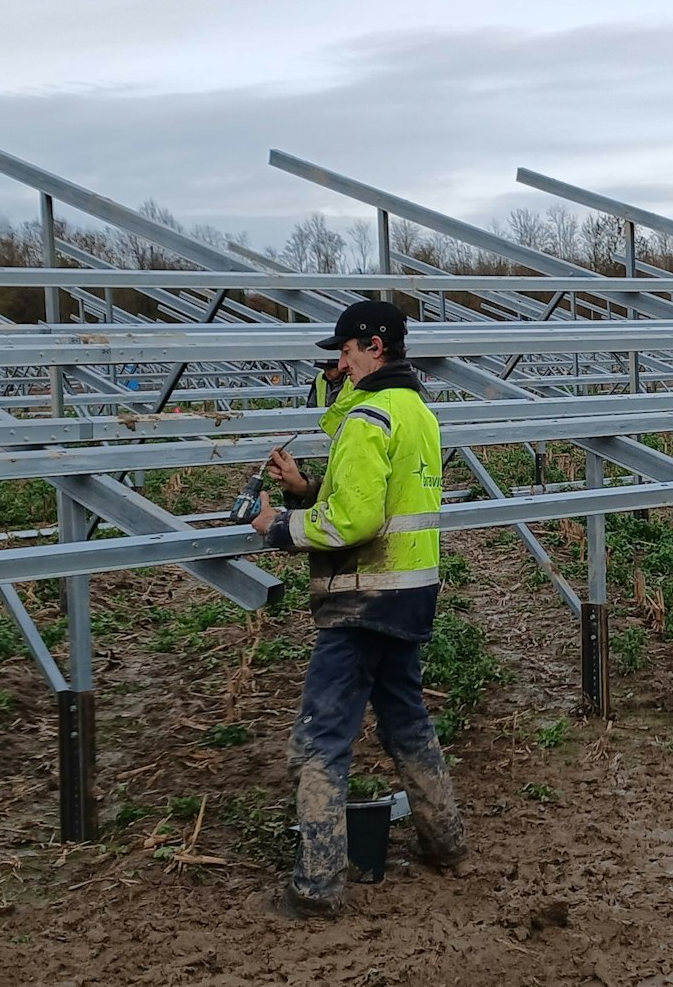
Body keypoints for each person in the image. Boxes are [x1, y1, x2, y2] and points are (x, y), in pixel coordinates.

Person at [249, 300, 466, 919]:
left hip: (361, 599)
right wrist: (310, 489)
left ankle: (316, 887)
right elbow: (383, 496)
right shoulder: (416, 411)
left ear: (374, 346)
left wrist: (278, 523)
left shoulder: (369, 416)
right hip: (409, 594)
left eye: (344, 351)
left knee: (323, 735)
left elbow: (357, 519)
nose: (337, 364)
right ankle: (446, 844)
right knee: (406, 719)